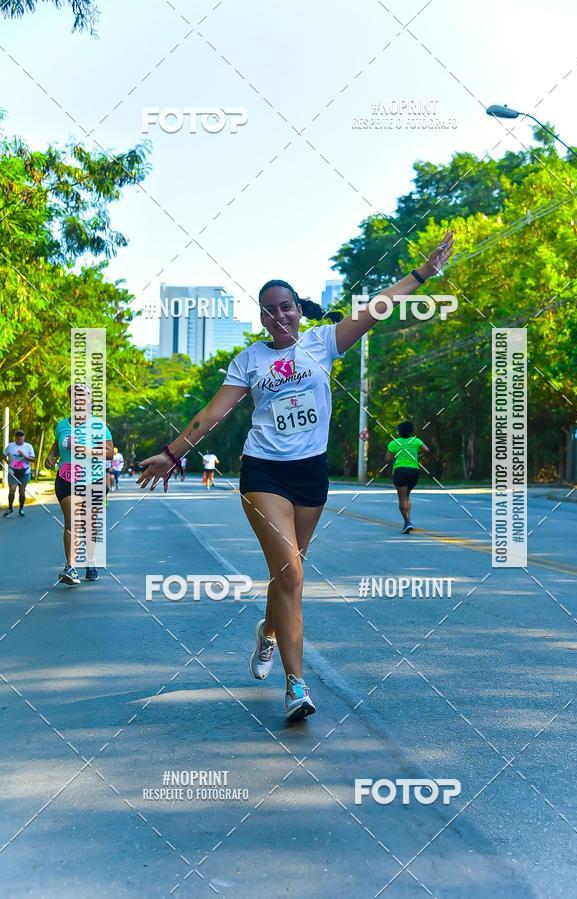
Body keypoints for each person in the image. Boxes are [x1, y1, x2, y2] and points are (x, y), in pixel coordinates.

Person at [137, 231, 454, 721]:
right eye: (268, 310)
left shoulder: (323, 342)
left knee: (286, 576)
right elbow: (214, 413)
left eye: (285, 307)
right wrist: (172, 453)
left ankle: (267, 632)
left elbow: (376, 309)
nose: (278, 316)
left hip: (311, 475)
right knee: (292, 574)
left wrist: (424, 274)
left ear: (298, 311)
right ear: (260, 318)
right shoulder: (249, 360)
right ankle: (296, 686)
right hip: (263, 472)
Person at [45, 385, 113, 586]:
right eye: (74, 397)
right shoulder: (61, 425)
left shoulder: (99, 426)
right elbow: (57, 443)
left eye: (82, 397)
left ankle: (90, 562)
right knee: (72, 522)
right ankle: (71, 567)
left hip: (93, 480)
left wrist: (86, 449)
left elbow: (109, 452)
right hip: (67, 479)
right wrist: (50, 455)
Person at [385, 421, 430, 533]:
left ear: (399, 432)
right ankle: (408, 521)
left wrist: (396, 456)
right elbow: (427, 450)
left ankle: (407, 522)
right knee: (407, 496)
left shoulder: (394, 443)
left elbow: (387, 459)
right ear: (411, 431)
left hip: (400, 470)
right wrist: (418, 456)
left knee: (402, 498)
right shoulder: (416, 441)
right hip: (414, 471)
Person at [3, 429, 35, 518]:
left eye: (21, 438)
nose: (19, 440)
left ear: (24, 438)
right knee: (12, 489)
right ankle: (10, 508)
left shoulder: (28, 446)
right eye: (18, 438)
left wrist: (24, 456)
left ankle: (21, 509)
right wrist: (7, 461)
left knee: (22, 492)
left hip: (24, 472)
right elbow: (3, 455)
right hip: (13, 471)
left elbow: (33, 459)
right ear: (15, 438)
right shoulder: (10, 446)